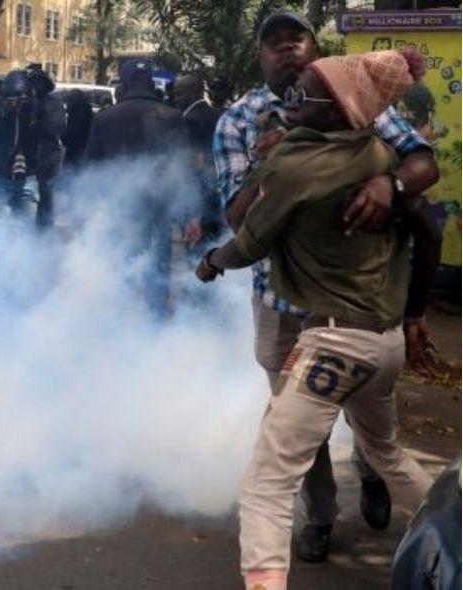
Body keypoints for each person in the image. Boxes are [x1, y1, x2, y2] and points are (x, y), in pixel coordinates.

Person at [197, 48, 440, 590]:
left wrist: (212, 261)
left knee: (267, 483)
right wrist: (417, 312)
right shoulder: (381, 154)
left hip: (331, 340)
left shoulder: (294, 164)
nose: (292, 98)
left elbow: (247, 243)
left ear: (337, 107)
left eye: (304, 92)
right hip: (384, 342)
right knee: (389, 455)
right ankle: (456, 538)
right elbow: (430, 230)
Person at [84, 58, 184, 318]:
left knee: (123, 259)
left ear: (124, 82)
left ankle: (123, 317)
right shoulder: (172, 116)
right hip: (161, 202)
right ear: (151, 81)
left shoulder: (105, 118)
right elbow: (181, 166)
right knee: (160, 264)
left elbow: (92, 167)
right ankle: (156, 318)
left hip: (121, 204)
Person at [0, 67, 65, 228]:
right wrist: (2, 112)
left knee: (25, 227)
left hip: (29, 176)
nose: (16, 101)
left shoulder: (38, 107)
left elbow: (54, 131)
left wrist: (33, 111)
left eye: (20, 97)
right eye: (11, 97)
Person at [173, 73, 223, 253]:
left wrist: (194, 213)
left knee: (199, 257)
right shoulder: (219, 115)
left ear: (196, 92)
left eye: (180, 93)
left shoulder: (189, 121)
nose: (175, 98)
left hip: (199, 203)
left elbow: (194, 169)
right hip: (220, 200)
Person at [61, 88, 93, 170]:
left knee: (70, 175)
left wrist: (62, 136)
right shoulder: (87, 112)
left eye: (69, 100)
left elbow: (71, 135)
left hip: (75, 152)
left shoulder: (76, 114)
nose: (67, 103)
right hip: (83, 151)